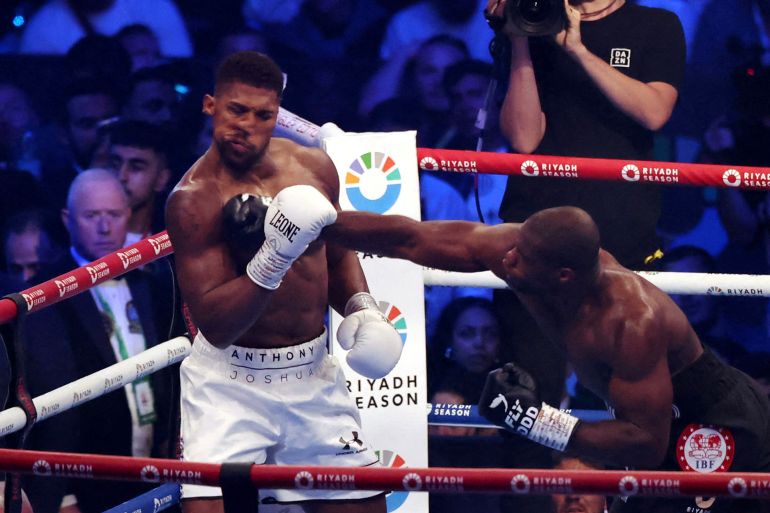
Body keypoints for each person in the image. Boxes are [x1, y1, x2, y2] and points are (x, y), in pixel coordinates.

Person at [321, 205, 770, 512]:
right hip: (654, 418)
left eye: (521, 258)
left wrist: (537, 421)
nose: (507, 258)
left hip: (715, 426)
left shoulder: (630, 320)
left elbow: (645, 442)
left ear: (563, 275)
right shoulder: (525, 251)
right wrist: (317, 223)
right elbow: (412, 238)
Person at [164, 51, 403, 512]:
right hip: (229, 383)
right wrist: (275, 255)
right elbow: (216, 325)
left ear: (278, 115)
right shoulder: (193, 200)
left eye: (262, 115)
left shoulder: (313, 169)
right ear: (210, 105)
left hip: (310, 374)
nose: (246, 126)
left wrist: (362, 308)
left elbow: (335, 250)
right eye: (236, 110)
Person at [22, 169, 177, 513]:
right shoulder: (42, 296)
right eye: (92, 216)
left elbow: (174, 378)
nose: (105, 227)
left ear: (129, 216)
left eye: (114, 215)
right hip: (81, 487)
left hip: (157, 472)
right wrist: (62, 495)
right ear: (68, 219)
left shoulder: (153, 284)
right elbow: (41, 401)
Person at [105, 119, 171, 244]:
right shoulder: (75, 238)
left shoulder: (176, 249)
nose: (121, 176)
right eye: (115, 164)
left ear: (161, 180)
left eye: (136, 167)